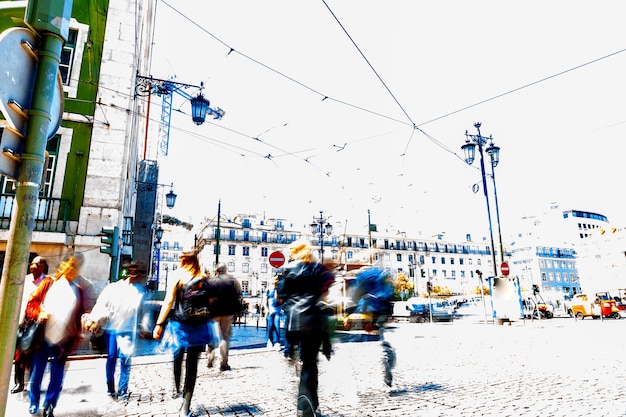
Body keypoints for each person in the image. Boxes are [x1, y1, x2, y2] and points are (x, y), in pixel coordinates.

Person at [277, 240, 335, 417]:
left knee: (303, 362)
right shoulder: (316, 269)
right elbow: (325, 293)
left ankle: (310, 404)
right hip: (311, 319)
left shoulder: (286, 270)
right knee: (310, 365)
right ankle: (306, 408)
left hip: (292, 322)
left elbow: (281, 296)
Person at [153, 250, 213, 417]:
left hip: (180, 324)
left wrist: (159, 323)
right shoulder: (203, 276)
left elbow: (168, 301)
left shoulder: (177, 275)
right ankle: (185, 408)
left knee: (177, 357)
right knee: (192, 367)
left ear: (182, 260)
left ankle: (176, 387)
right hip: (200, 326)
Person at [29, 256, 89, 417]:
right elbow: (32, 304)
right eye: (71, 266)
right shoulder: (49, 283)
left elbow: (81, 314)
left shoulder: (79, 290)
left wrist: (84, 321)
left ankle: (50, 405)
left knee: (57, 375)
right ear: (62, 266)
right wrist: (40, 312)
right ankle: (34, 402)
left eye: (77, 267)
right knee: (37, 372)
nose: (73, 270)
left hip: (64, 339)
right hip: (43, 337)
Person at [81, 260, 149, 401]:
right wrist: (94, 320)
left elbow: (144, 311)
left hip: (129, 330)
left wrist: (145, 327)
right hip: (113, 328)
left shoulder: (141, 292)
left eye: (137, 271)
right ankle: (110, 386)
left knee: (125, 359)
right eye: (132, 270)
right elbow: (101, 304)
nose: (134, 274)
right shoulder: (114, 287)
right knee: (111, 356)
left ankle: (123, 390)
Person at [11, 256, 51, 395]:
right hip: (24, 322)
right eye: (32, 264)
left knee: (35, 355)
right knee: (19, 354)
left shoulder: (48, 282)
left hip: (39, 325)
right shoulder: (26, 280)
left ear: (43, 267)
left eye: (37, 264)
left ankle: (33, 384)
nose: (33, 266)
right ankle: (19, 383)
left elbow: (49, 302)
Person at [351, 267, 396, 387]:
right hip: (383, 309)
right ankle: (387, 357)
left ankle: (384, 355)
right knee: (382, 336)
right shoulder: (380, 275)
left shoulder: (362, 277)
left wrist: (359, 307)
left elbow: (355, 296)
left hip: (371, 310)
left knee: (378, 335)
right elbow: (390, 292)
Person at [206, 262, 242, 371]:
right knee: (225, 337)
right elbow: (239, 295)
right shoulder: (233, 280)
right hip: (228, 312)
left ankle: (209, 360)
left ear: (216, 270)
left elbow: (207, 297)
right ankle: (224, 363)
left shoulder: (211, 281)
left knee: (212, 336)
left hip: (213, 313)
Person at [263, 274, 282, 349]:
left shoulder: (279, 290)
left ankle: (277, 342)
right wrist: (266, 309)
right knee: (270, 326)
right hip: (270, 311)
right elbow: (264, 300)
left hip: (277, 311)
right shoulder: (268, 289)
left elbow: (281, 301)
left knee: (277, 326)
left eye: (276, 280)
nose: (275, 282)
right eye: (274, 280)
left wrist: (277, 296)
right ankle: (270, 340)